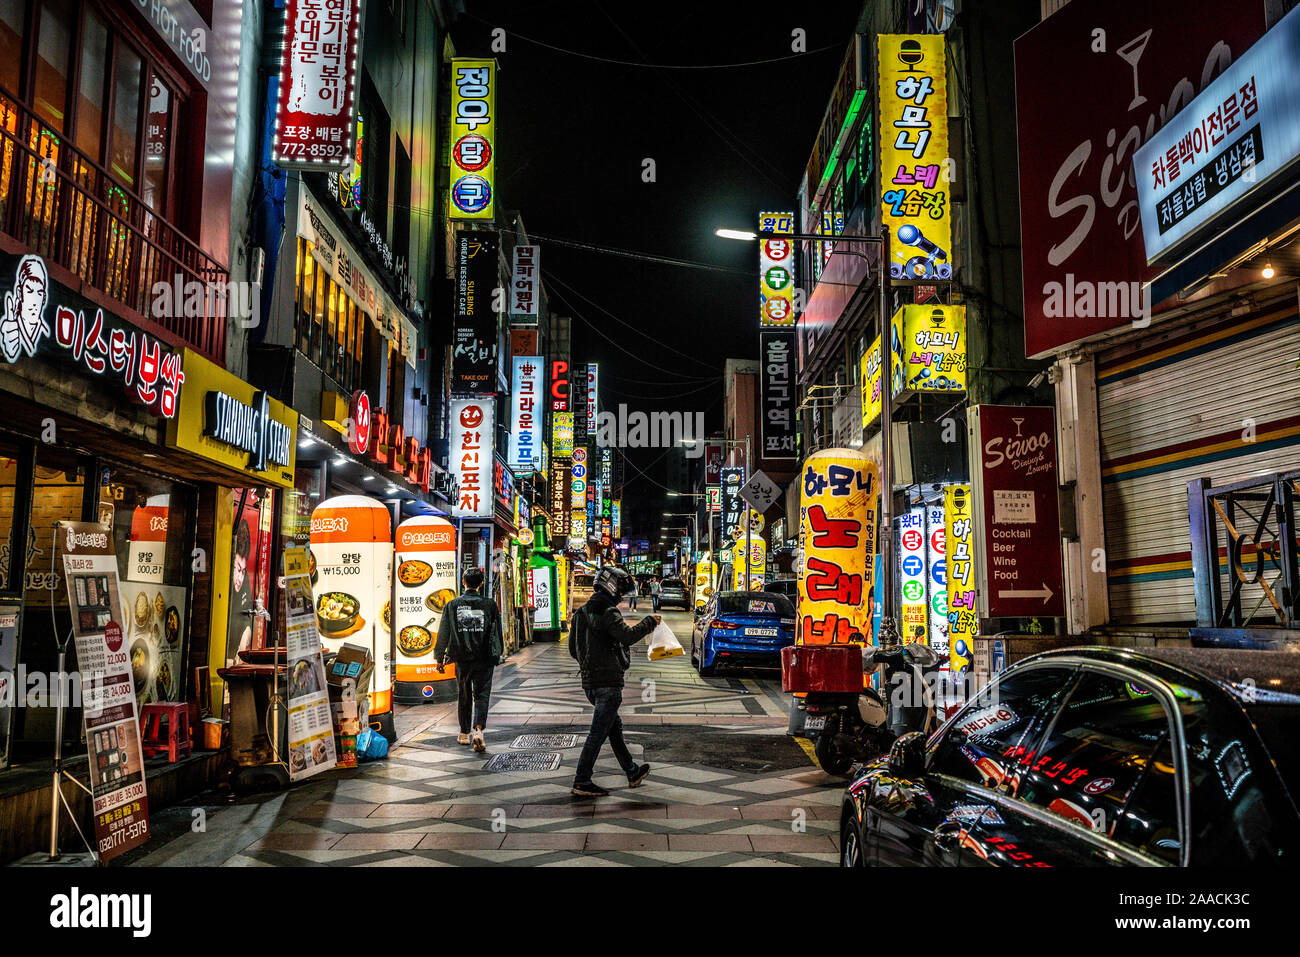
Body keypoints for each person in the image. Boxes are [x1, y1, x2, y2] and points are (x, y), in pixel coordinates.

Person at [569, 565, 658, 796]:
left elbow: (572, 649)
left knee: (613, 728)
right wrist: (650, 622)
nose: (620, 597)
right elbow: (627, 637)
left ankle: (632, 771)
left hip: (590, 683)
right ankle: (582, 780)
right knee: (597, 733)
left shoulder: (581, 613)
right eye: (620, 591)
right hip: (607, 682)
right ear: (611, 587)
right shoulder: (607, 611)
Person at [434, 567, 504, 752]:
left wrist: (439, 657)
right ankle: (478, 730)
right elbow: (496, 631)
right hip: (485, 658)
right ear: (481, 583)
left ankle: (464, 733)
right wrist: (498, 653)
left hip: (462, 658)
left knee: (464, 695)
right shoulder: (489, 605)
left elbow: (443, 633)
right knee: (482, 695)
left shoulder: (453, 605)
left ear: (464, 582)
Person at [225, 519, 253, 665]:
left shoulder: (245, 578)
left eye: (243, 571)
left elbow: (247, 618)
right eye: (237, 570)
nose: (240, 579)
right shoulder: (223, 582)